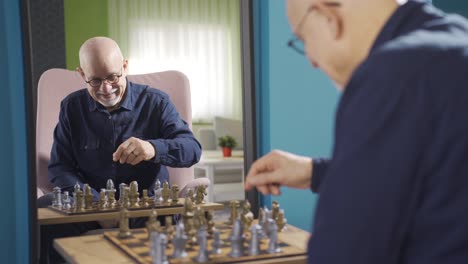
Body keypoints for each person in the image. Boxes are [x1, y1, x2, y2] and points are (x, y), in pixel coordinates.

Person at [245, 0, 468, 263]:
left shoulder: (393, 74)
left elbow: (342, 252)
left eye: (303, 39)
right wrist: (315, 171)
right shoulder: (455, 41)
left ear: (328, 15)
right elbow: (439, 174)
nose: (312, 60)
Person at [37, 36, 201, 263]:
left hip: (144, 207)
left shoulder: (157, 102)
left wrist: (153, 148)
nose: (106, 88)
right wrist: (98, 207)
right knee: (44, 211)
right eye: (95, 80)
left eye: (113, 77)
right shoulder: (72, 107)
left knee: (165, 219)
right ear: (82, 74)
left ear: (125, 66)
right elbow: (59, 167)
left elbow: (192, 150)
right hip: (88, 205)